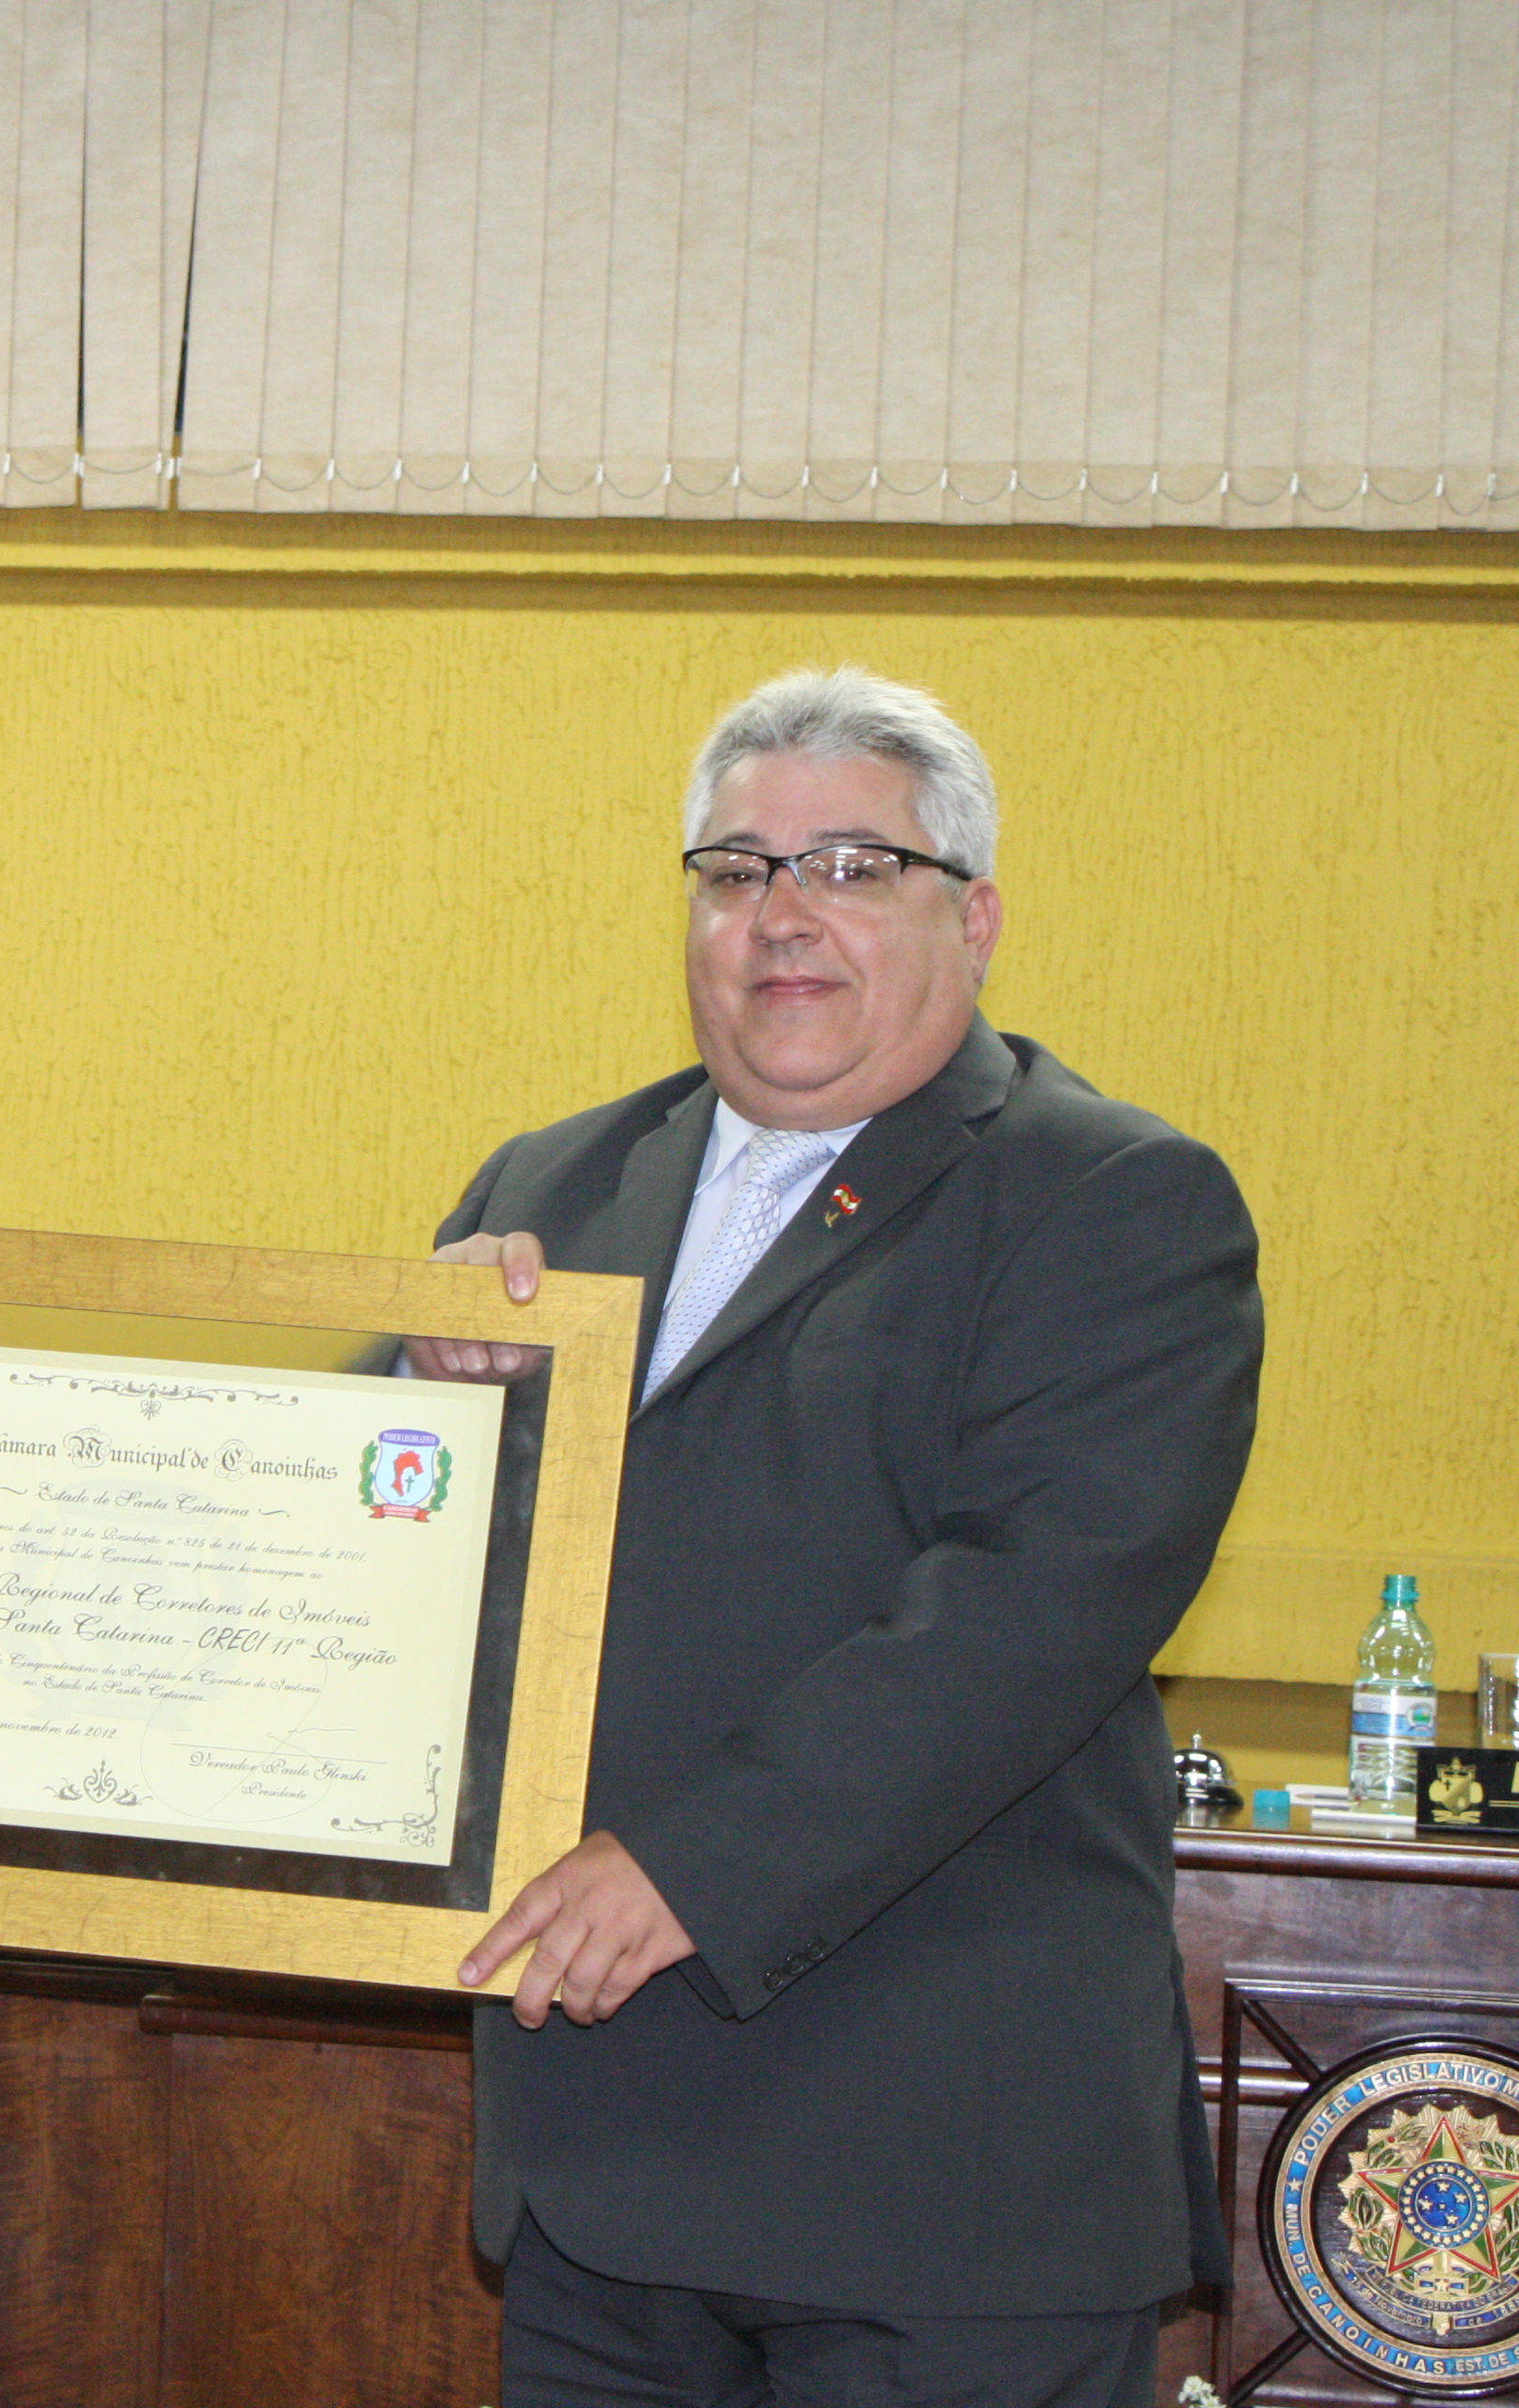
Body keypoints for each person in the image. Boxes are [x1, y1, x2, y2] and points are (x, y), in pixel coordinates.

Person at [409, 668, 1261, 2405]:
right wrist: (432, 1412)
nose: (783, 914)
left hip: (945, 2191)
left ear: (979, 918)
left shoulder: (1116, 1199)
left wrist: (687, 1866)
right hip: (603, 2169)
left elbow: (1024, 1617)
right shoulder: (545, 1192)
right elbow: (359, 1550)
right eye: (736, 870)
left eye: (854, 866)